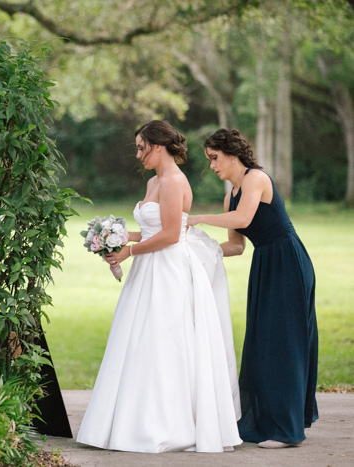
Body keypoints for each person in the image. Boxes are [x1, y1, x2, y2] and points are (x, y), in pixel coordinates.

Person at [76, 120, 242, 453]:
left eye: (141, 147)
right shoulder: (154, 181)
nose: (138, 155)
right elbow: (150, 230)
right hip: (147, 269)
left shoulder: (173, 181)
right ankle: (131, 421)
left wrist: (129, 250)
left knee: (163, 343)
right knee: (137, 342)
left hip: (167, 271)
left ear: (158, 146)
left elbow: (170, 235)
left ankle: (165, 426)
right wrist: (113, 238)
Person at [187, 128, 318, 449]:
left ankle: (286, 430)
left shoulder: (256, 179)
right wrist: (191, 251)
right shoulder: (229, 193)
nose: (212, 166)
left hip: (288, 261)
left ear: (232, 154)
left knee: (283, 342)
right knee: (262, 343)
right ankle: (264, 421)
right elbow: (236, 246)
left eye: (214, 158)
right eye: (209, 160)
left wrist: (199, 218)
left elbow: (244, 218)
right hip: (265, 264)